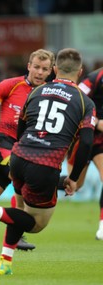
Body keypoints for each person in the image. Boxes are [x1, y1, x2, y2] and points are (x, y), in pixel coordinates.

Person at [0, 48, 96, 275]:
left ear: (54, 70)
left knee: (21, 209)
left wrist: (23, 149)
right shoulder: (84, 102)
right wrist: (72, 178)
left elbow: (22, 124)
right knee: (35, 224)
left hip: (19, 157)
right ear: (80, 72)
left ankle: (5, 259)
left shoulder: (38, 91)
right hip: (45, 164)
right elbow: (87, 144)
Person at [0, 49, 55, 250]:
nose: (39, 72)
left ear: (51, 71)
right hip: (4, 145)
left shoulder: (50, 94)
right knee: (23, 181)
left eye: (44, 69)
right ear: (29, 66)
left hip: (30, 151)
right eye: (36, 67)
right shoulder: (11, 85)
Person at [72, 67, 103, 240]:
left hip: (101, 142)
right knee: (75, 185)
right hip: (82, 138)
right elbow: (75, 98)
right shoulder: (94, 78)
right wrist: (95, 122)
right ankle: (33, 183)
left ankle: (102, 227)